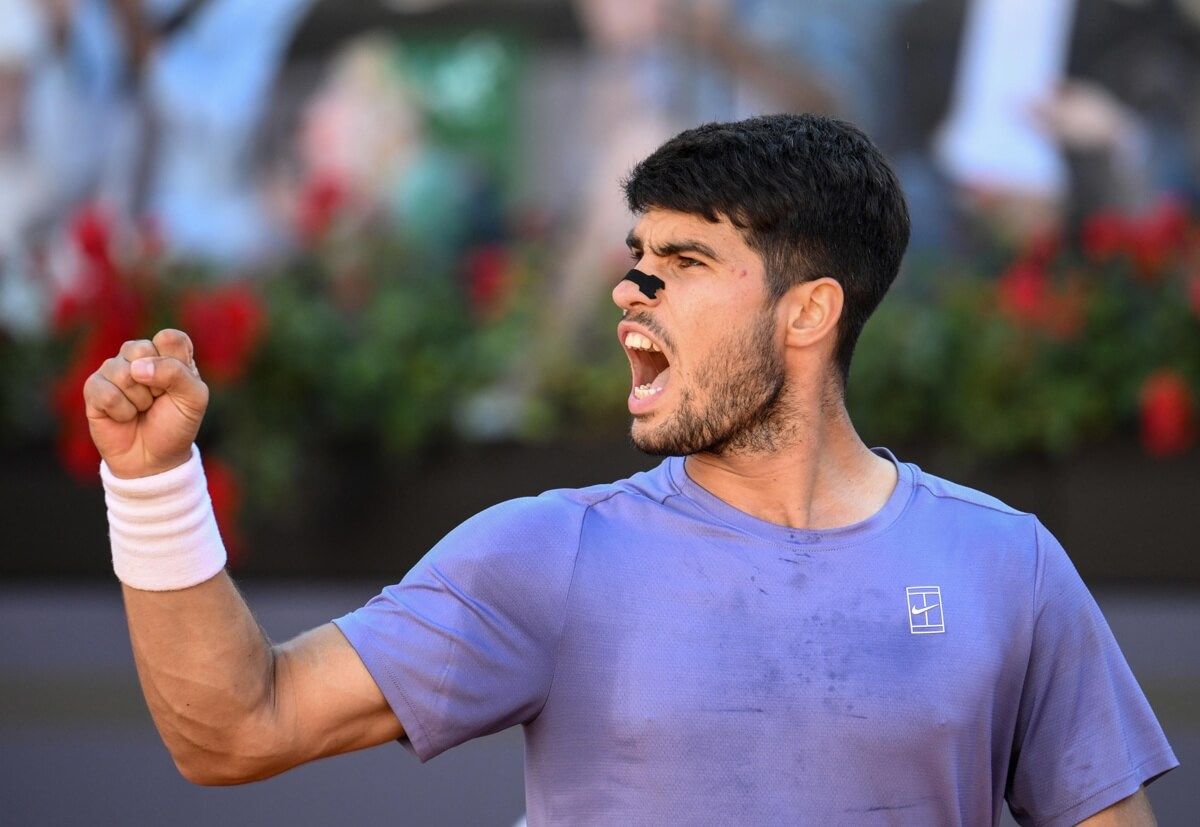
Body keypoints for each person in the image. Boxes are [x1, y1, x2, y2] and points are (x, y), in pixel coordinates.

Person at [83, 114, 1176, 825]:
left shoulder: (1007, 563)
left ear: (811, 310)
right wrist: (150, 483)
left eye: (686, 263)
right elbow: (236, 726)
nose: (632, 292)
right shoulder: (544, 551)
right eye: (636, 260)